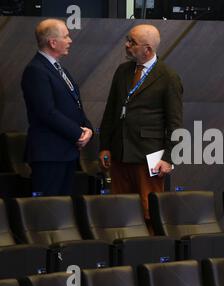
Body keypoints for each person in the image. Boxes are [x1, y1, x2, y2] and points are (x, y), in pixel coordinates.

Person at [99, 24, 183, 229]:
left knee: (148, 211)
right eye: (128, 40)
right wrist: (104, 146)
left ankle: (150, 252)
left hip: (149, 157)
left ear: (147, 49)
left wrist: (169, 158)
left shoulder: (168, 76)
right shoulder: (122, 71)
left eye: (132, 42)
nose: (126, 45)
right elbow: (111, 111)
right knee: (119, 210)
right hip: (119, 154)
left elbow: (175, 123)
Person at [21, 19, 92, 196]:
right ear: (53, 42)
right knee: (48, 213)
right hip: (49, 155)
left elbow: (75, 104)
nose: (70, 40)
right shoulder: (36, 70)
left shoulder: (59, 69)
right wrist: (78, 133)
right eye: (66, 36)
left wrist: (88, 129)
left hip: (66, 152)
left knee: (63, 212)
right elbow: (47, 112)